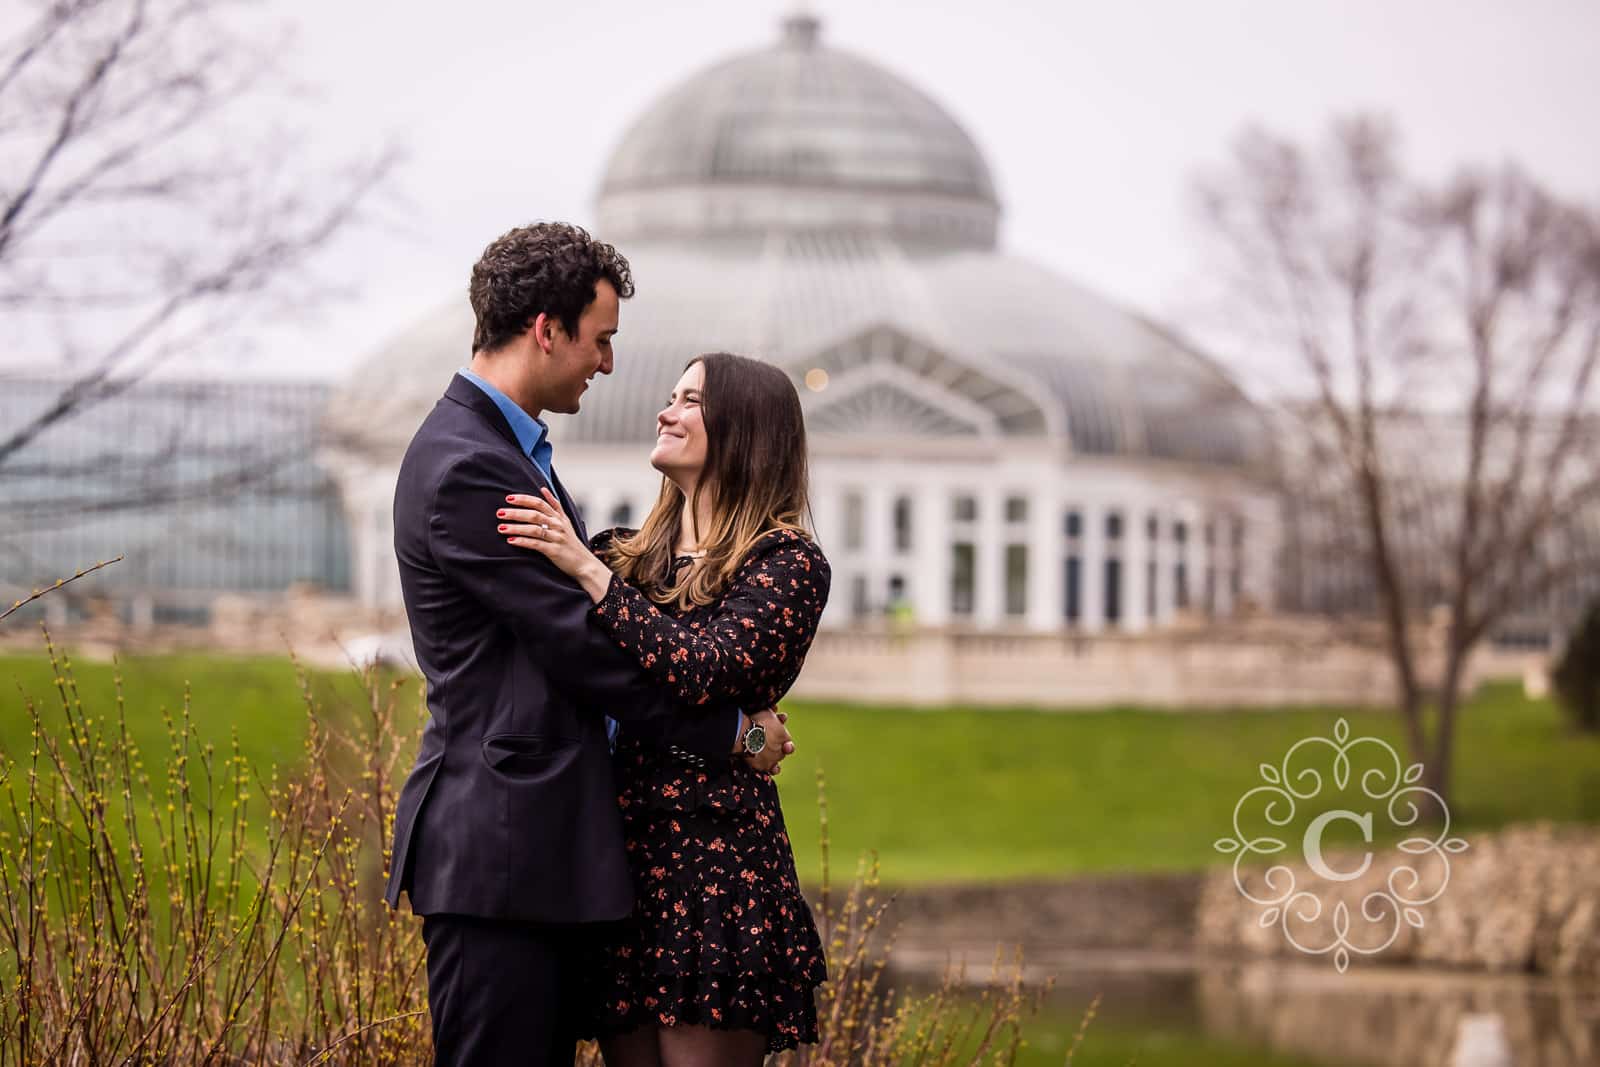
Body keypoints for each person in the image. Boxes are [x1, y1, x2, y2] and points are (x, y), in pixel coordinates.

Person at [384, 223, 795, 1067]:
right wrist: (735, 735)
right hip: (502, 856)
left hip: (543, 855)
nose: (608, 364)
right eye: (601, 340)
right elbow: (582, 648)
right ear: (547, 329)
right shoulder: (471, 465)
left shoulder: (507, 453)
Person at [496, 351, 831, 1066]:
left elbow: (702, 667)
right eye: (670, 395)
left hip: (716, 874)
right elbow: (576, 664)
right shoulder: (627, 557)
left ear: (743, 430)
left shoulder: (787, 562)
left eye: (690, 401)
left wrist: (586, 574)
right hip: (618, 864)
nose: (665, 410)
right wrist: (741, 737)